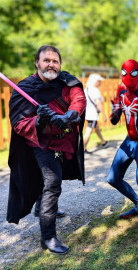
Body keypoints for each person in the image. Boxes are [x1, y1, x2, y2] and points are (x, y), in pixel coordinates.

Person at [7, 45, 86, 255]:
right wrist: (39, 120)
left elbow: (78, 100)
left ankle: (41, 208)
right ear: (37, 63)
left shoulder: (67, 81)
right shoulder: (25, 88)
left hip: (63, 141)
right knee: (52, 182)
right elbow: (19, 124)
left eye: (55, 61)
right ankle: (48, 237)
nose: (51, 64)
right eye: (46, 60)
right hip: (40, 144)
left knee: (52, 178)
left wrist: (68, 116)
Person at [107, 59, 138, 264]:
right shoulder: (120, 90)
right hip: (131, 140)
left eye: (132, 75)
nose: (128, 80)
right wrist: (116, 108)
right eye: (125, 75)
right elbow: (112, 120)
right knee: (112, 177)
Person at [83, 73, 108, 152]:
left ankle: (103, 142)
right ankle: (82, 148)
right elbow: (98, 103)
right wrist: (104, 115)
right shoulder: (95, 90)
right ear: (95, 81)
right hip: (93, 114)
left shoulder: (86, 89)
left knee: (96, 127)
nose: (100, 83)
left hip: (87, 113)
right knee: (89, 131)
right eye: (99, 81)